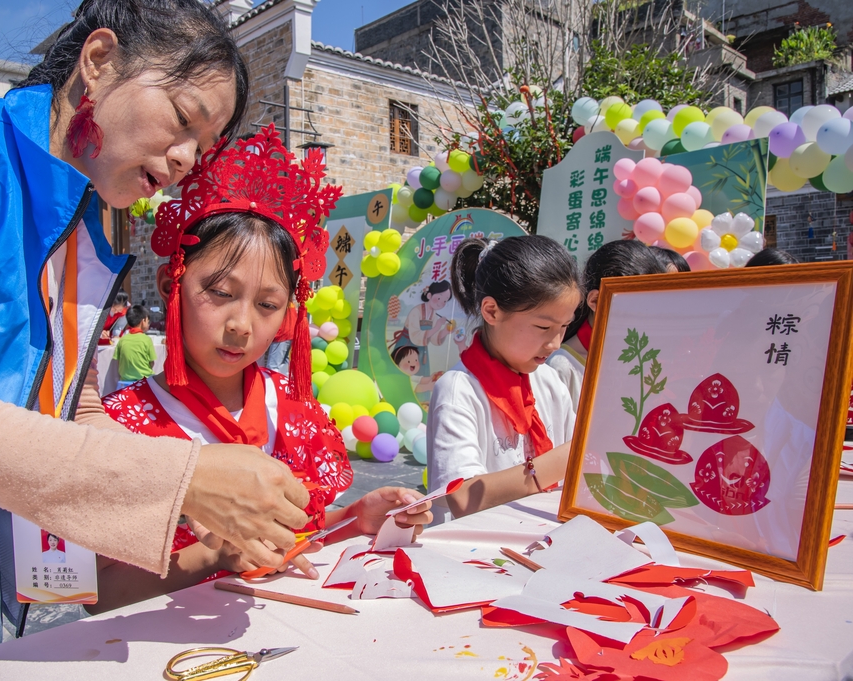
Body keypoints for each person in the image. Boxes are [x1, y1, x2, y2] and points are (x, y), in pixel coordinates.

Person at [0, 1, 314, 676]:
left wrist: (195, 505)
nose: (182, 160)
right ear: (97, 61)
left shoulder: (82, 231)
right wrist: (186, 480)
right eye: (181, 119)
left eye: (201, 149)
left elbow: (71, 410)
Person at [94, 125, 432, 613]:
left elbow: (299, 535)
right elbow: (99, 595)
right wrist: (216, 553)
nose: (241, 325)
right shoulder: (117, 424)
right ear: (173, 284)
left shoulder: (292, 408)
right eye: (221, 293)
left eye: (268, 304)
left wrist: (358, 517)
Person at [427, 236, 580, 520]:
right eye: (543, 326)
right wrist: (566, 460)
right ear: (491, 311)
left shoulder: (549, 380)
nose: (556, 342)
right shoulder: (459, 390)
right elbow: (462, 497)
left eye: (564, 326)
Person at [547, 240, 666, 410]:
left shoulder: (642, 361)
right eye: (637, 307)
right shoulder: (561, 367)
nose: (647, 318)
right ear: (595, 300)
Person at [113, 304, 156, 389]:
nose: (148, 324)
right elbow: (152, 362)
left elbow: (119, 362)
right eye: (148, 321)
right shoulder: (146, 340)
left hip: (124, 384)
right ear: (143, 321)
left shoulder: (122, 340)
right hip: (144, 382)